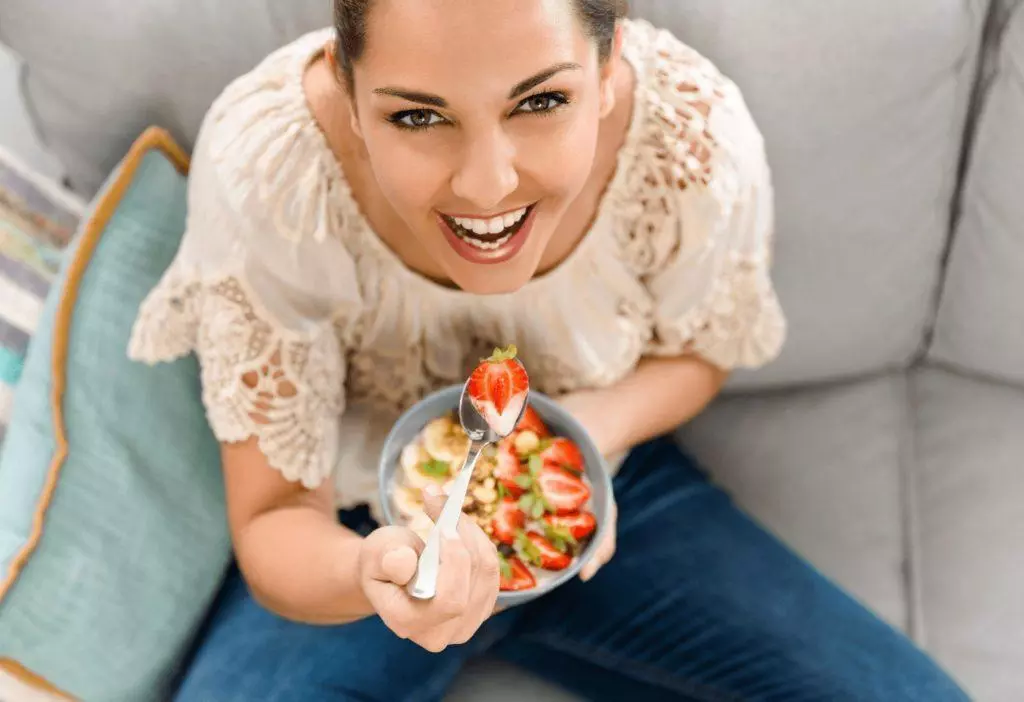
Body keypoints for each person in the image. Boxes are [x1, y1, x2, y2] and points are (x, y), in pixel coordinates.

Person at [128, 1, 969, 699]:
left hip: (609, 482)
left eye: (539, 103)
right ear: (349, 98)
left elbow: (702, 352)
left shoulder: (692, 138)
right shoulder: (270, 170)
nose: (487, 187)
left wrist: (582, 432)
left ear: (607, 76)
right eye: (418, 116)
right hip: (365, 520)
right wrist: (373, 574)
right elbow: (275, 517)